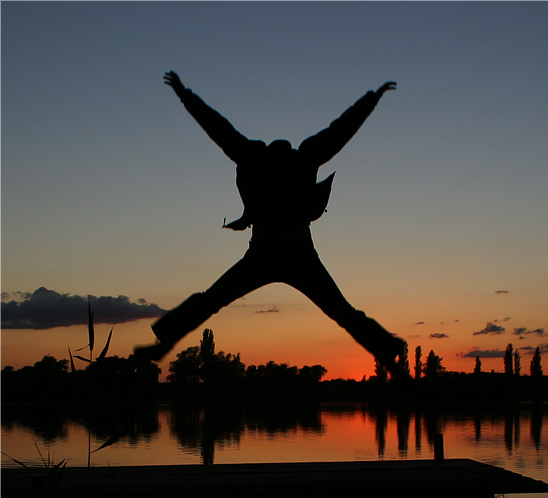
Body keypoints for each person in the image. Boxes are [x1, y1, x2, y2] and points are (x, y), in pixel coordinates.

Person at [134, 71, 409, 379]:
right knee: (341, 311)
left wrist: (185, 94)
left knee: (211, 299)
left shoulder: (261, 157)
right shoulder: (299, 157)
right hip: (294, 253)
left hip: (270, 253)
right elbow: (340, 130)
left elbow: (219, 128)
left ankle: (387, 353)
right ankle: (387, 353)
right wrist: (372, 98)